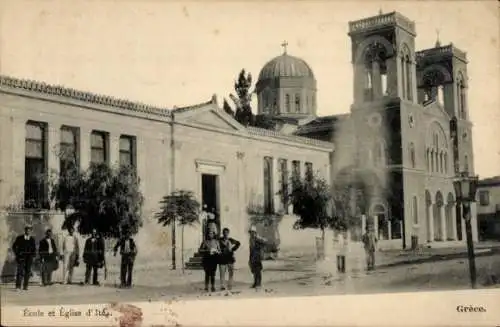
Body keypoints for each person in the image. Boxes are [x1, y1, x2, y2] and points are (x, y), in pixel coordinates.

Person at [12, 225, 37, 291]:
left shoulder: (32, 239)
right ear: (25, 230)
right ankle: (18, 286)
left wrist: (33, 255)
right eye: (27, 230)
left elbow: (34, 249)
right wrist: (17, 254)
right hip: (21, 257)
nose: (28, 231)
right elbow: (14, 246)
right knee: (20, 271)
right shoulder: (19, 238)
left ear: (30, 231)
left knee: (27, 271)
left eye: (29, 230)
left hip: (29, 258)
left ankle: (25, 286)